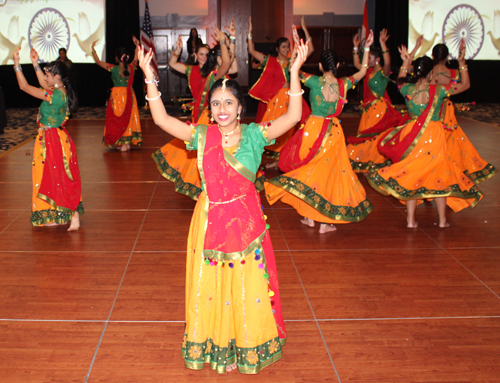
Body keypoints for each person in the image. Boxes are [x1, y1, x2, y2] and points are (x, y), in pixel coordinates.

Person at [139, 34, 309, 374]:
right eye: (216, 104)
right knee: (213, 285)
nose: (221, 110)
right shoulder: (203, 135)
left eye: (228, 103)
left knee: (246, 285)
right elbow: (162, 121)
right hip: (210, 218)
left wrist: (294, 73)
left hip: (246, 221)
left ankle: (244, 342)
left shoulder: (256, 135)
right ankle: (217, 342)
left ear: (240, 107)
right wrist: (149, 77)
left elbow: (291, 118)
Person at [265, 31, 375, 234]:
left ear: (321, 66)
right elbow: (364, 71)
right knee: (329, 173)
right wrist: (365, 47)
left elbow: (292, 70)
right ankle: (324, 222)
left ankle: (309, 216)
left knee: (309, 168)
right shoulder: (344, 83)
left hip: (313, 129)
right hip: (333, 131)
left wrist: (299, 53)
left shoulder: (313, 80)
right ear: (339, 66)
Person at [368, 44, 483, 228]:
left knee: (413, 174)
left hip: (413, 135)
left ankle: (411, 220)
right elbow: (466, 85)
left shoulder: (407, 89)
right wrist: (462, 63)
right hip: (435, 135)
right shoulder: (439, 90)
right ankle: (442, 220)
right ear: (431, 74)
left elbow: (399, 81)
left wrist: (406, 62)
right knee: (439, 175)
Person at [152, 22, 236, 200]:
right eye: (201, 54)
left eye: (207, 54)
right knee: (200, 153)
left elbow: (228, 63)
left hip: (213, 118)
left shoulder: (214, 73)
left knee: (211, 152)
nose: (204, 57)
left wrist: (225, 41)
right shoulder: (190, 70)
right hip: (198, 115)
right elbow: (172, 63)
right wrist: (177, 49)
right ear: (196, 56)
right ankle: (202, 187)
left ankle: (212, 185)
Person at [13, 47, 82, 231]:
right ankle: (59, 214)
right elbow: (43, 86)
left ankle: (69, 213)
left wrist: (17, 65)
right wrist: (35, 63)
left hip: (51, 140)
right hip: (52, 137)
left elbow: (24, 87)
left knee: (53, 177)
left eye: (48, 75)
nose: (45, 78)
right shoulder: (59, 91)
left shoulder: (55, 95)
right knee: (54, 177)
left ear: (57, 77)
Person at [247, 16, 314, 166]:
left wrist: (304, 29)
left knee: (291, 129)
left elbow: (310, 50)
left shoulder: (293, 61)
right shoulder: (269, 60)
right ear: (277, 49)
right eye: (283, 46)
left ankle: (285, 158)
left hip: (291, 98)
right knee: (274, 127)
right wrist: (249, 33)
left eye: (288, 46)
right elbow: (251, 50)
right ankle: (275, 158)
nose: (286, 49)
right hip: (275, 99)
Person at [431, 43, 497, 183]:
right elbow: (466, 85)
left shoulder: (428, 72)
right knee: (449, 142)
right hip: (446, 111)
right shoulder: (453, 73)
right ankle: (447, 174)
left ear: (432, 56)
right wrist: (462, 63)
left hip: (430, 108)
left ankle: (432, 173)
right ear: (448, 57)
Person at [347, 29, 410, 173]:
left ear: (377, 60)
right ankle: (365, 158)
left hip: (379, 109)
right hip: (368, 110)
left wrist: (382, 43)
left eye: (369, 58)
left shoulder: (383, 73)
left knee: (374, 135)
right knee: (365, 135)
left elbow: (388, 61)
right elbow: (357, 63)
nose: (367, 61)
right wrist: (355, 46)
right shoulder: (368, 71)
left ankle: (375, 159)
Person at [91, 39, 142, 151]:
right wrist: (137, 46)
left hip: (118, 96)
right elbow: (136, 58)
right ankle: (125, 142)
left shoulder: (113, 68)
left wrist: (93, 49)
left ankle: (124, 143)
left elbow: (98, 62)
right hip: (129, 95)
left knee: (118, 119)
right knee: (128, 118)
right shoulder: (132, 67)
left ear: (116, 58)